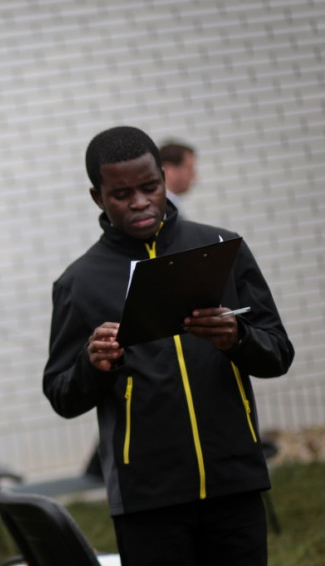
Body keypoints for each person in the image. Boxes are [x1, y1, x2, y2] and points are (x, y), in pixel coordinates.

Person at [42, 126, 294, 566]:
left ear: (163, 179)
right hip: (147, 500)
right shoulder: (78, 283)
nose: (140, 202)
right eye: (121, 194)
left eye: (149, 187)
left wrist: (237, 338)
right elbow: (61, 395)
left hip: (234, 482)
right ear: (98, 197)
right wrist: (91, 365)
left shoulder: (220, 247)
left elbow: (278, 353)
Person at [159, 140, 197, 213]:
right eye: (189, 169)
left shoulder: (169, 205)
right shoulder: (162, 209)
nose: (194, 176)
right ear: (167, 169)